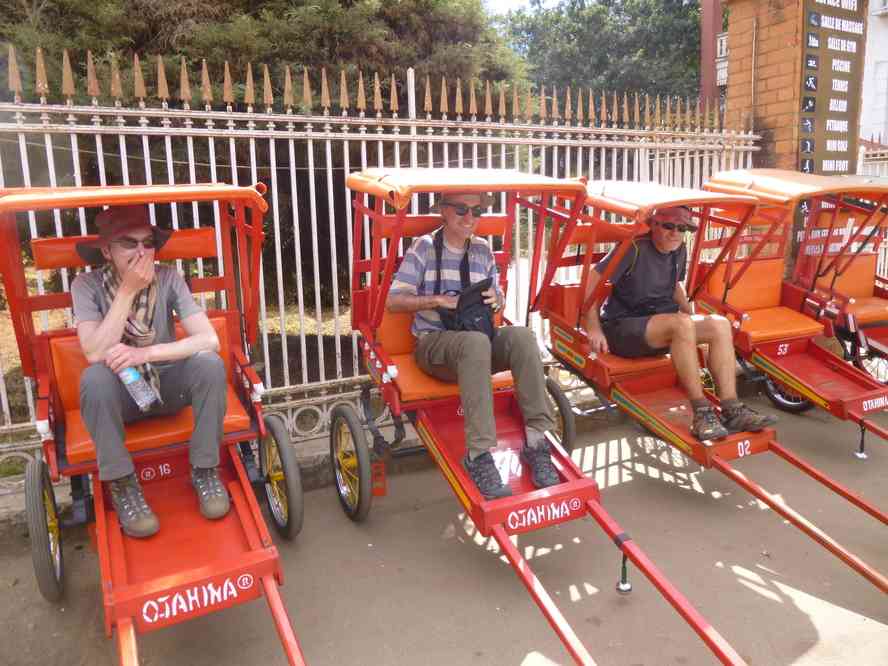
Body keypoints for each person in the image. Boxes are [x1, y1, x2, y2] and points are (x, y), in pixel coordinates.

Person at [387, 192, 559, 499]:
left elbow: (496, 296)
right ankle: (479, 454)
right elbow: (394, 301)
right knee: (476, 343)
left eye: (477, 211)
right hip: (435, 346)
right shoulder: (424, 248)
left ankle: (536, 441)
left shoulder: (482, 251)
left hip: (476, 342)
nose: (470, 218)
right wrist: (436, 300)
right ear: (442, 210)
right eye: (461, 209)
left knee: (522, 337)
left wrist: (498, 300)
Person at [71, 205, 229, 538]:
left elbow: (209, 339)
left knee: (209, 365)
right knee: (95, 378)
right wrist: (127, 290)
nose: (142, 252)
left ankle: (205, 470)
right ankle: (123, 485)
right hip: (121, 397)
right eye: (129, 243)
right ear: (106, 251)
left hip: (168, 386)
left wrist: (144, 352)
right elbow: (95, 351)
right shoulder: (86, 285)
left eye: (147, 243)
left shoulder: (169, 277)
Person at [582, 206, 777, 440]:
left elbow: (675, 285)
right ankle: (701, 412)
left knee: (719, 324)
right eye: (668, 226)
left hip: (665, 325)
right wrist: (593, 327)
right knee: (682, 324)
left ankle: (732, 407)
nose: (675, 232)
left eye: (682, 228)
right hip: (624, 327)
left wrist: (691, 314)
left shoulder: (679, 249)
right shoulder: (633, 248)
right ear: (654, 225)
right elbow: (591, 282)